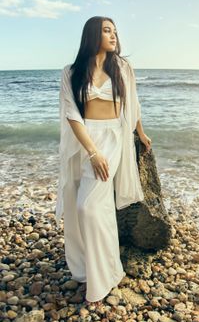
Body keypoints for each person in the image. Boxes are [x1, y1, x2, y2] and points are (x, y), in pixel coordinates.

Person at [55, 16, 152, 307]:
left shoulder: (122, 67)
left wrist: (142, 134)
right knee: (80, 205)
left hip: (112, 138)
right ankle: (96, 269)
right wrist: (92, 152)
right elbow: (72, 114)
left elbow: (133, 104)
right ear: (92, 35)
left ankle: (99, 286)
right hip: (84, 141)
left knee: (89, 206)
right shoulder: (71, 72)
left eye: (114, 31)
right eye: (107, 30)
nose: (113, 35)